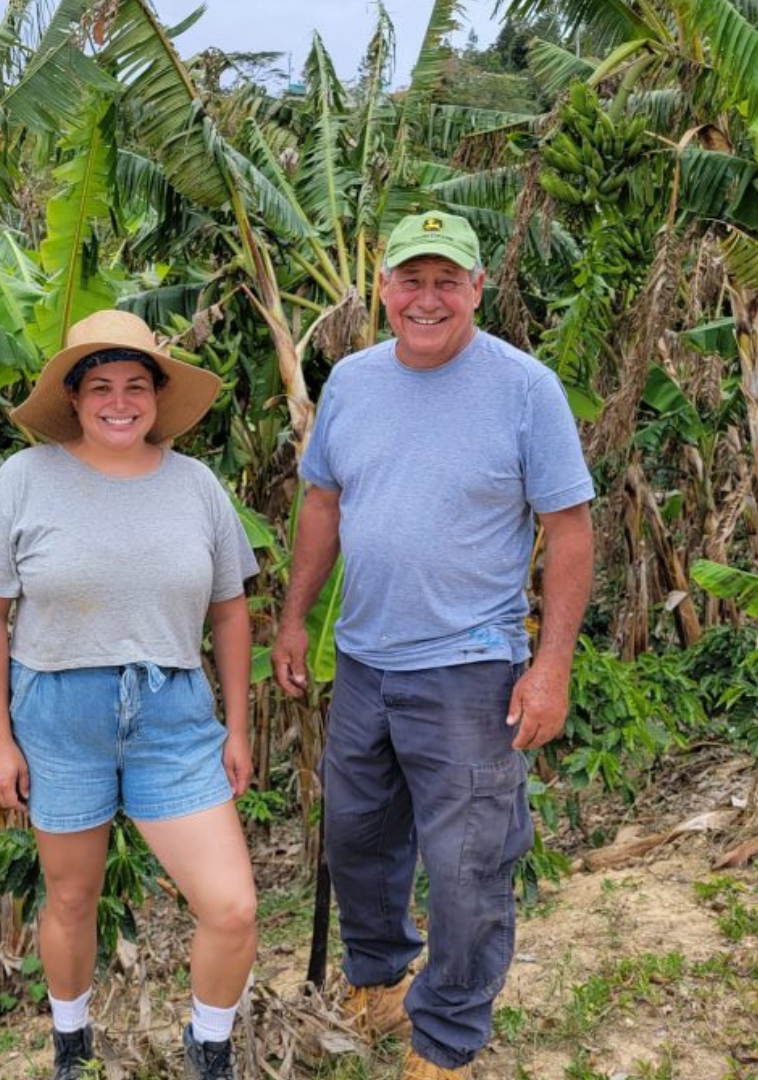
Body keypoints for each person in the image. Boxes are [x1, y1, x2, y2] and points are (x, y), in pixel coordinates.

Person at [273, 211, 594, 1080]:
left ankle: (448, 1038)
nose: (427, 299)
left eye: (446, 281)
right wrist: (295, 618)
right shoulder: (352, 382)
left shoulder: (524, 390)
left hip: (470, 668)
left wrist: (551, 667)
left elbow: (569, 531)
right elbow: (323, 504)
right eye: (410, 280)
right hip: (363, 662)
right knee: (357, 838)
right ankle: (381, 979)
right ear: (382, 290)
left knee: (467, 866)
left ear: (477, 289)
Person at [0, 310, 259, 1080]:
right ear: (73, 396)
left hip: (174, 715)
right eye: (100, 387)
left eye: (135, 386)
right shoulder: (24, 480)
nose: (119, 402)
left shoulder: (197, 486)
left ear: (157, 396)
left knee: (231, 906)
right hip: (58, 716)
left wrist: (237, 726)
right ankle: (72, 1046)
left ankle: (210, 1049)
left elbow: (230, 611)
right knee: (72, 896)